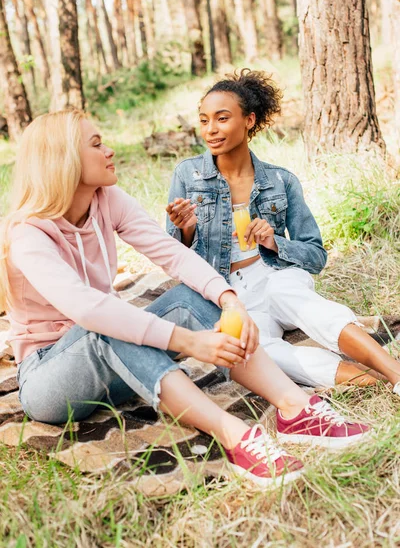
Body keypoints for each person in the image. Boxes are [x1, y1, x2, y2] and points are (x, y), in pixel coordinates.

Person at [0, 110, 370, 490]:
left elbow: (171, 253)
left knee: (194, 296)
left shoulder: (106, 199)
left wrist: (229, 298)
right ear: (63, 159)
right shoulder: (28, 234)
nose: (110, 151)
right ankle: (236, 438)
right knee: (107, 323)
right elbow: (88, 309)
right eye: (96, 145)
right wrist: (190, 342)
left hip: (115, 365)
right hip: (50, 382)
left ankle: (296, 410)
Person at [166, 69, 400, 395]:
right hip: (228, 296)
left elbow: (316, 255)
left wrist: (274, 242)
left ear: (249, 120)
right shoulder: (187, 176)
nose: (211, 130)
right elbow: (174, 259)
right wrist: (186, 230)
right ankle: (370, 381)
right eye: (204, 120)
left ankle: (395, 371)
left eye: (222, 118)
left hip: (276, 277)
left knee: (286, 294)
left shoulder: (280, 181)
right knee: (255, 352)